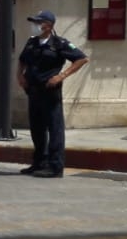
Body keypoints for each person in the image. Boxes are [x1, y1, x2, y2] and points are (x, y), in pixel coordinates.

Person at [17, 10, 89, 178]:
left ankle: (55, 166)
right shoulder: (31, 42)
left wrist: (61, 76)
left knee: (54, 129)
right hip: (33, 90)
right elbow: (22, 60)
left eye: (37, 23)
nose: (34, 26)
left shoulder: (59, 43)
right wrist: (19, 76)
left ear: (48, 25)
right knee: (37, 129)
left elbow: (82, 59)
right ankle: (39, 163)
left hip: (50, 91)